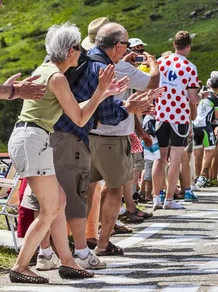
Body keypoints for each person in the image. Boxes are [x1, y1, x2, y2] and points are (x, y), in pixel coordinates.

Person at [7, 22, 125, 284]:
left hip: (32, 138)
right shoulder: (58, 77)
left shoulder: (47, 71)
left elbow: (72, 109)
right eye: (77, 48)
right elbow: (81, 118)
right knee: (50, 208)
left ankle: (68, 262)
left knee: (58, 202)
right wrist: (99, 92)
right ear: (71, 51)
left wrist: (102, 92)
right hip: (34, 140)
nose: (81, 53)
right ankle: (21, 265)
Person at [50, 22, 149, 269]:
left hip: (72, 134)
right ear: (117, 46)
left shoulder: (84, 58)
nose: (127, 52)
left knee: (73, 194)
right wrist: (130, 108)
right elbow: (107, 115)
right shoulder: (102, 67)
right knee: (106, 191)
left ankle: (56, 250)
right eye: (125, 46)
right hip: (86, 137)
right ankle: (93, 247)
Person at [152, 31, 200, 210]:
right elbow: (193, 99)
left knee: (159, 157)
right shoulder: (190, 68)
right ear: (188, 47)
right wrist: (199, 96)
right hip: (179, 116)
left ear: (174, 45)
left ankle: (156, 197)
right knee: (175, 159)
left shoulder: (160, 62)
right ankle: (169, 199)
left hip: (160, 114)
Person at [194, 75, 218, 189]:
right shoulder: (215, 97)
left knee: (197, 153)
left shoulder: (201, 94)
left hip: (195, 124)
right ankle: (202, 176)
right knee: (210, 152)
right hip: (206, 125)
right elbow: (217, 116)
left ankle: (197, 178)